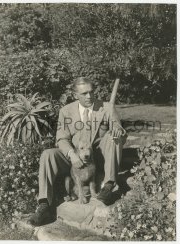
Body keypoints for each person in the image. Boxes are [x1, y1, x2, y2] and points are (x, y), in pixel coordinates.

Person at [29, 77, 127, 226]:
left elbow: (119, 129)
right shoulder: (66, 111)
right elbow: (61, 139)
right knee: (47, 155)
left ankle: (108, 186)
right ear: (75, 95)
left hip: (98, 157)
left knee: (113, 137)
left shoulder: (106, 108)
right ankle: (44, 204)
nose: (89, 96)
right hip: (74, 157)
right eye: (84, 93)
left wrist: (117, 131)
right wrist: (72, 154)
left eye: (91, 92)